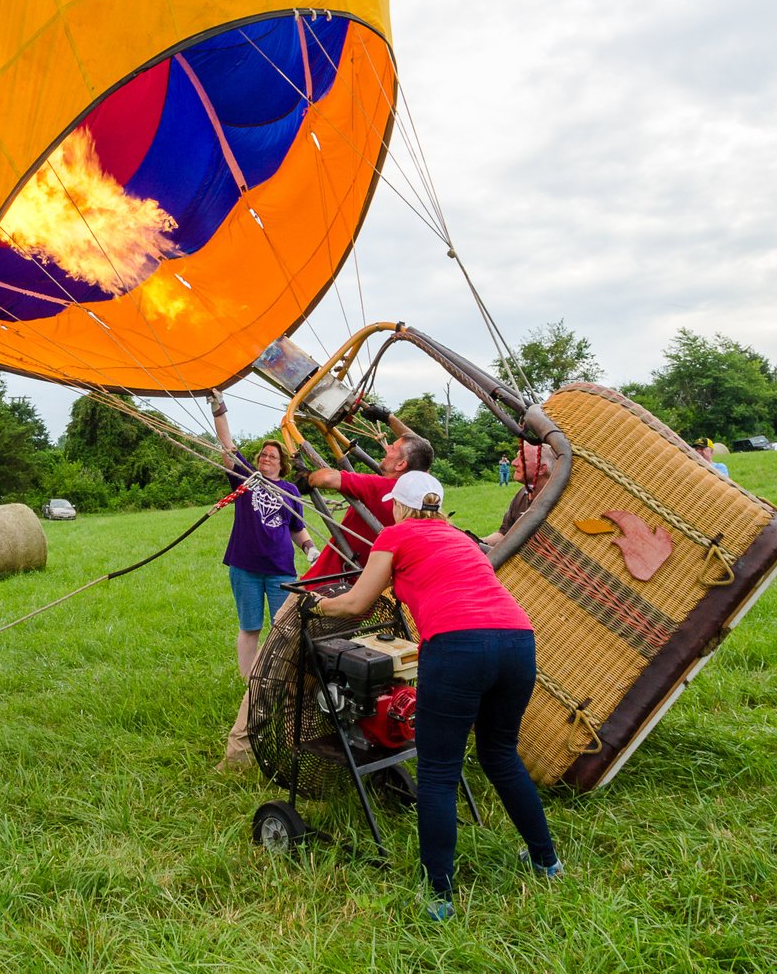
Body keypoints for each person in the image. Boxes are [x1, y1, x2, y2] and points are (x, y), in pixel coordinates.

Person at [315, 471, 561, 919]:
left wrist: (317, 605)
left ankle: (440, 897)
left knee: (438, 771)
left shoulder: (395, 533)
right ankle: (547, 861)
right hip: (518, 642)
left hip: (457, 646)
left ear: (402, 506)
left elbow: (355, 604)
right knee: (501, 755)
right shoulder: (461, 539)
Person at [209, 391, 314, 767]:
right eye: (263, 455)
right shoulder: (246, 480)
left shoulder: (289, 492)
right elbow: (226, 445)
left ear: (282, 464)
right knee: (249, 627)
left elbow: (297, 529)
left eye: (273, 456)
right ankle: (251, 684)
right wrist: (219, 408)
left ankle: (284, 682)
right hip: (245, 566)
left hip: (282, 569)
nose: (266, 458)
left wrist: (310, 549)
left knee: (283, 628)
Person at [300, 403, 432, 579]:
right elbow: (423, 452)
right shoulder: (421, 495)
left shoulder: (380, 487)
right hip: (373, 587)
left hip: (327, 580)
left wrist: (308, 477)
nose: (387, 448)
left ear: (401, 464)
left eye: (392, 448)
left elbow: (327, 478)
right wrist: (388, 418)